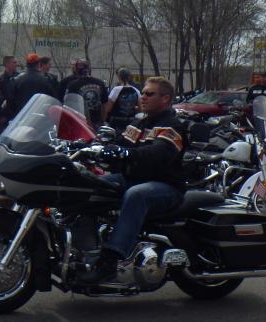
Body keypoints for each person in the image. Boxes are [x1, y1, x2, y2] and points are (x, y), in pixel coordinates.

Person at [80, 76, 187, 284]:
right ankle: (85, 250)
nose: (143, 97)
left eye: (149, 94)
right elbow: (119, 142)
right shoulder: (140, 122)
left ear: (165, 98)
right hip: (133, 178)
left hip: (165, 186)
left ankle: (110, 261)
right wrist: (88, 146)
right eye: (143, 93)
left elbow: (158, 154)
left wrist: (126, 153)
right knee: (89, 184)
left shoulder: (172, 126)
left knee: (137, 195)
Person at [7, 53, 58, 118]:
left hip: (21, 117)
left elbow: (10, 101)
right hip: (38, 117)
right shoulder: (45, 80)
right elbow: (52, 99)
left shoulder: (17, 80)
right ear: (38, 64)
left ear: (27, 64)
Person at [63, 59, 109, 129]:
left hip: (80, 123)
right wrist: (102, 121)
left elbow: (68, 106)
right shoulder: (100, 83)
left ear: (76, 70)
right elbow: (105, 105)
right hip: (96, 122)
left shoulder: (72, 85)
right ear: (89, 69)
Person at [106, 68, 141, 132]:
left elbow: (108, 108)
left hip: (116, 123)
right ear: (129, 77)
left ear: (119, 77)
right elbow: (141, 109)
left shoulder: (116, 90)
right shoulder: (136, 91)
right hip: (131, 123)